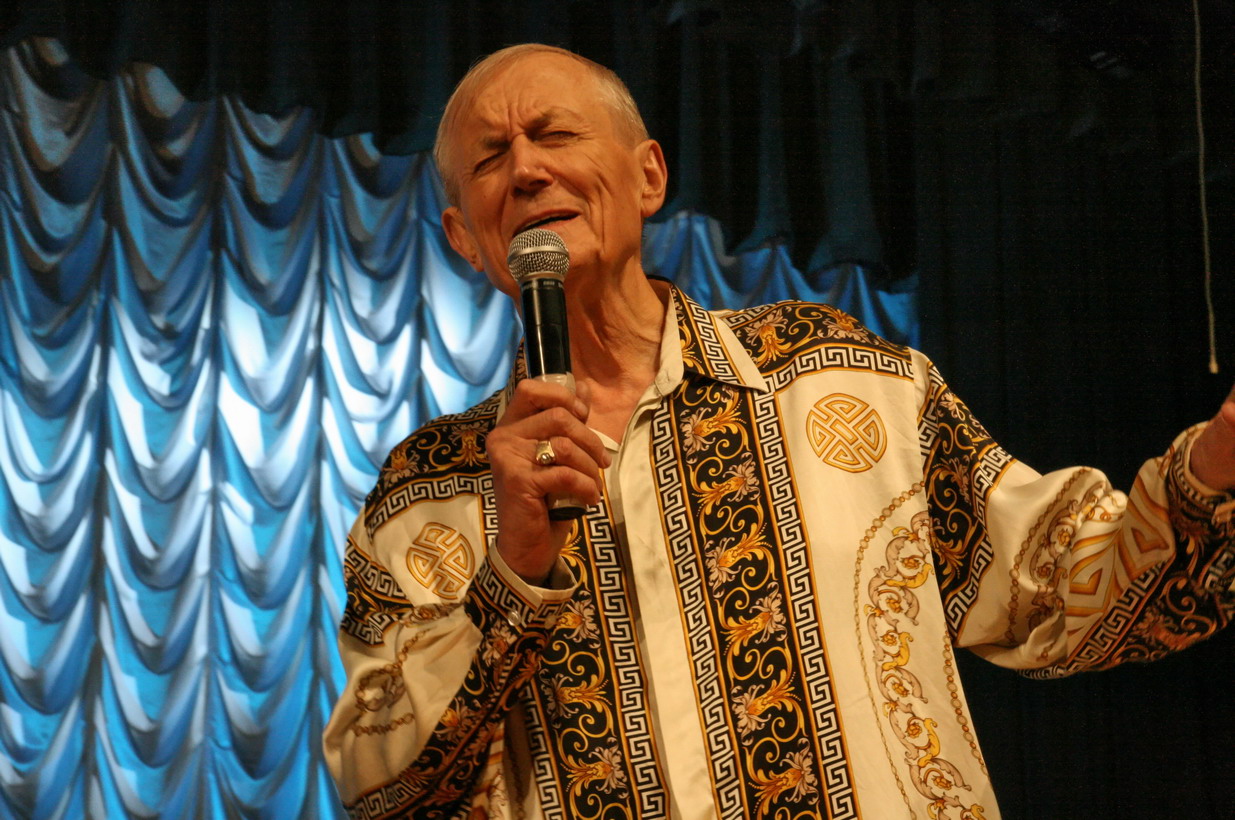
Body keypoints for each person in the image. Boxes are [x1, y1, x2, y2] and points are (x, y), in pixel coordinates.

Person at [322, 43, 1235, 819]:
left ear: (648, 176)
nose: (526, 169)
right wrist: (511, 575)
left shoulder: (836, 376)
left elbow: (1061, 589)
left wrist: (1216, 464)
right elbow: (377, 785)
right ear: (463, 236)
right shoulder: (423, 493)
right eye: (490, 157)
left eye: (554, 134)